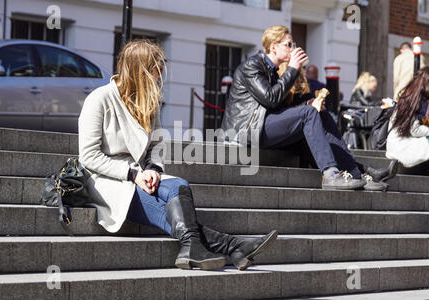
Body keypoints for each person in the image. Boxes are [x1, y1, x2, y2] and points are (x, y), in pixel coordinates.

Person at [78, 39, 278, 271]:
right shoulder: (99, 99)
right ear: (137, 71)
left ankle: (197, 248)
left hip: (140, 172)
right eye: (155, 72)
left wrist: (153, 169)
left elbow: (156, 146)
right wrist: (133, 175)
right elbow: (89, 156)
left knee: (179, 185)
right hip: (105, 180)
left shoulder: (148, 102)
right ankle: (234, 246)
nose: (157, 79)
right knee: (166, 213)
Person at [220, 25, 397, 191]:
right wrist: (293, 69)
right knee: (308, 114)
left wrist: (307, 102)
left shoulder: (272, 71)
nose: (293, 48)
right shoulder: (252, 66)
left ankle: (360, 175)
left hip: (264, 126)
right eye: (288, 44)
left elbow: (280, 105)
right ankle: (330, 175)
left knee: (321, 115)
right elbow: (270, 99)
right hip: (247, 130)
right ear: (273, 47)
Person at [386, 67, 429, 171]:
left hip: (396, 146)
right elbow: (414, 130)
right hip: (403, 148)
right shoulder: (418, 102)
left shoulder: (411, 98)